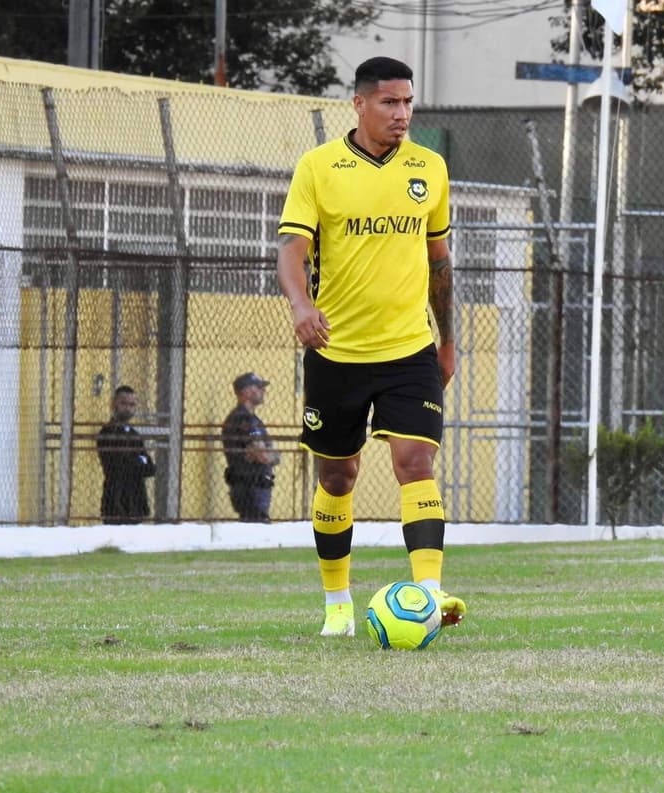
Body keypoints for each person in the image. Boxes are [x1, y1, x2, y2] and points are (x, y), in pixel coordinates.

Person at [276, 56, 466, 638]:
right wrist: (302, 307)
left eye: (408, 102)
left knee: (416, 462)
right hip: (337, 352)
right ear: (359, 104)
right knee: (338, 476)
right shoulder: (319, 167)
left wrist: (449, 339)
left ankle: (429, 596)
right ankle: (338, 604)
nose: (402, 114)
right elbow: (290, 250)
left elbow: (439, 263)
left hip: (409, 348)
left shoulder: (430, 170)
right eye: (389, 102)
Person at [221, 372, 280, 522]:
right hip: (250, 486)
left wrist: (268, 454)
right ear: (246, 392)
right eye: (259, 387)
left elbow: (266, 453)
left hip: (254, 485)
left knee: (255, 523)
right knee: (257, 524)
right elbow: (263, 455)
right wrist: (268, 454)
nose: (263, 391)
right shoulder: (243, 418)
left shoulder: (252, 419)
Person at [96, 385, 156, 524]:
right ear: (113, 404)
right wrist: (139, 460)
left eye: (132, 404)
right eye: (123, 403)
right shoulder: (108, 432)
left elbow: (150, 468)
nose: (128, 408)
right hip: (116, 502)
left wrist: (138, 461)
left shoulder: (134, 435)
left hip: (136, 502)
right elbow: (119, 465)